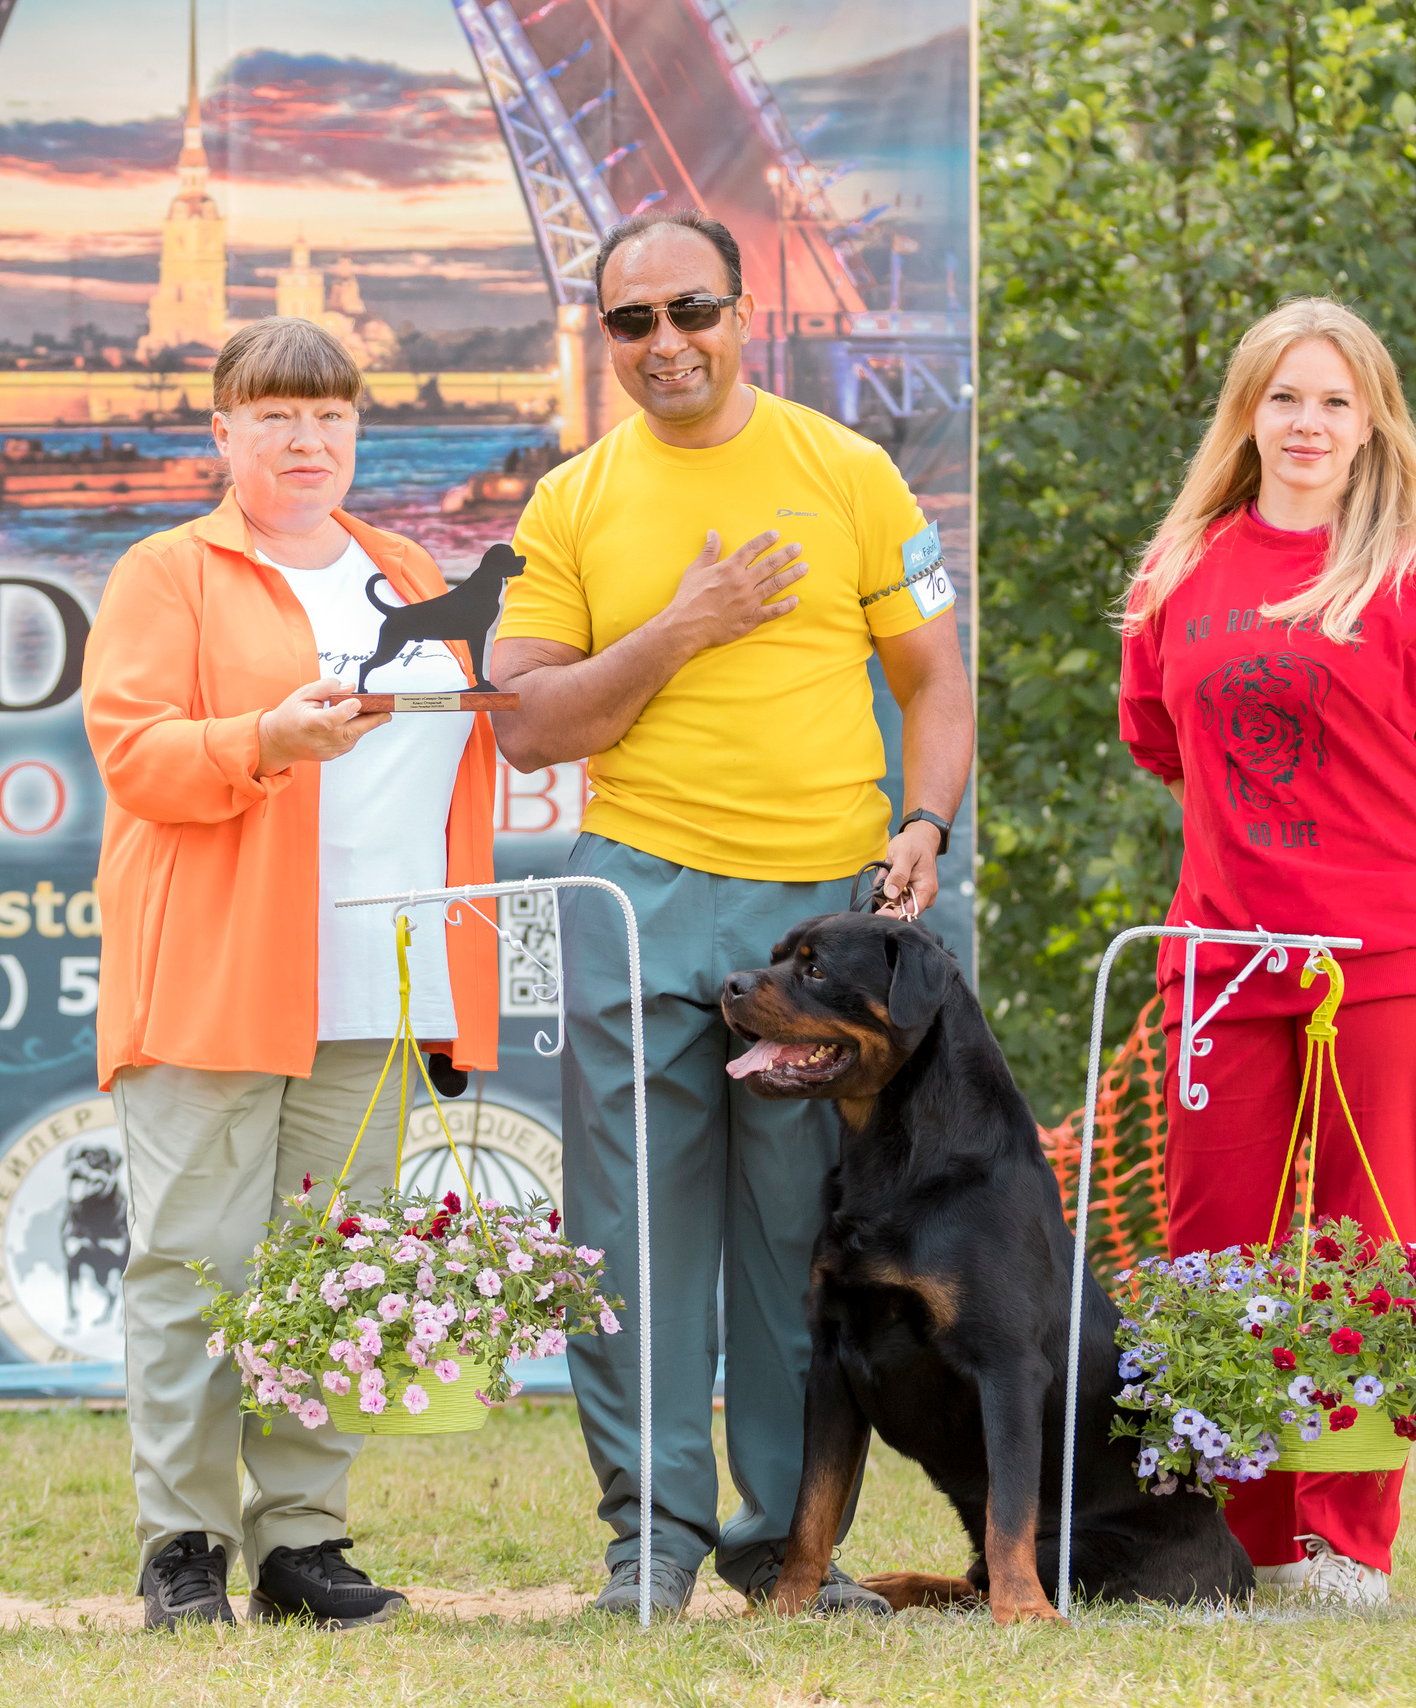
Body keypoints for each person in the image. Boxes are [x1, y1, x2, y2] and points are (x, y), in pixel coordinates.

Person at [492, 208, 974, 1617]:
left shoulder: (851, 471)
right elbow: (523, 725)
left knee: (795, 1254)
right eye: (631, 322)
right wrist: (683, 625)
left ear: (743, 311)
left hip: (818, 938)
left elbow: (934, 685)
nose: (665, 344)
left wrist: (924, 824)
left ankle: (784, 1550)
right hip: (635, 902)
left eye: (689, 311)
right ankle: (650, 1545)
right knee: (631, 1244)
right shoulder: (572, 500)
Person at [82, 317, 502, 1631]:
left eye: (328, 413)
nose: (306, 437)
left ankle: (303, 1540)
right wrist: (265, 734)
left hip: (381, 981)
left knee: (334, 1272)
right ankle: (185, 1544)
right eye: (273, 414)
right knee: (195, 1268)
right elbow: (133, 753)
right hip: (219, 972)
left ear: (358, 430)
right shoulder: (171, 571)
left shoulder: (408, 566)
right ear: (223, 434)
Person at [1117, 297, 1416, 1606]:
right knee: (1215, 1252)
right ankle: (1222, 1541)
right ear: (1246, 414)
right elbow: (1159, 741)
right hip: (1222, 965)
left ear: (1372, 426)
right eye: (1285, 397)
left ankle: (1338, 1544)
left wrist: (1380, 874)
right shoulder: (1179, 572)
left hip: (1392, 960)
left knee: (1366, 1246)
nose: (1308, 423)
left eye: (1335, 401)